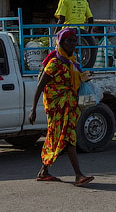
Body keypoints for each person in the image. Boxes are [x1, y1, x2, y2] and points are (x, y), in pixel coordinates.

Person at [29, 28, 93, 186]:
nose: (72, 43)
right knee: (67, 137)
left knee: (56, 138)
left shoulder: (73, 61)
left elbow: (75, 79)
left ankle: (44, 171)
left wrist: (84, 77)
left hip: (70, 107)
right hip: (56, 109)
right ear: (61, 42)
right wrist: (32, 110)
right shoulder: (55, 63)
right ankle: (78, 175)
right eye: (68, 40)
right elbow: (40, 86)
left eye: (74, 40)